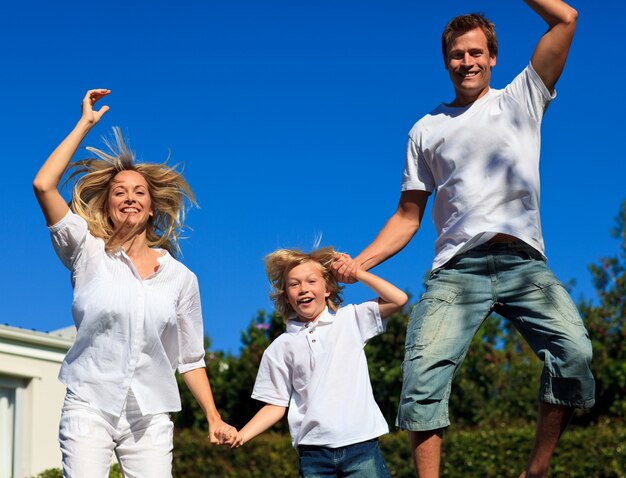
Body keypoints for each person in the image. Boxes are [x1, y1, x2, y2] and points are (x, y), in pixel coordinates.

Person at [332, 2, 594, 477]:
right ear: (445, 60)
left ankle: (536, 470)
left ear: (493, 57)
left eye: (476, 53)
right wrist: (360, 263)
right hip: (457, 270)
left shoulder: (522, 98)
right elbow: (407, 217)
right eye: (457, 55)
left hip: (523, 262)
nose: (466, 62)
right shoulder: (425, 130)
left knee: (574, 353)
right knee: (421, 374)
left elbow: (566, 19)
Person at [33, 89, 235, 477]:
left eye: (138, 192)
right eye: (119, 193)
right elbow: (43, 185)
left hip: (149, 413)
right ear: (107, 206)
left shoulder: (181, 278)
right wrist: (84, 125)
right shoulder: (85, 250)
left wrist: (213, 416)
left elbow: (190, 358)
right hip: (89, 402)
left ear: (152, 206)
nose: (129, 198)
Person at [218, 247, 408, 477]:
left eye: (311, 281)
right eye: (294, 284)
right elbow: (275, 406)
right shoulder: (280, 347)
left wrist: (356, 272)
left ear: (327, 288)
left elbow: (398, 299)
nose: (303, 289)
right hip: (313, 455)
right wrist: (242, 435)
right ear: (286, 295)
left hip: (361, 445)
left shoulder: (350, 320)